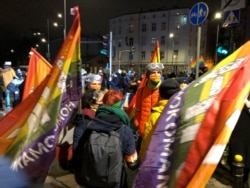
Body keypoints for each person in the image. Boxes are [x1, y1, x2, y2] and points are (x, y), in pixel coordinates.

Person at [73, 89, 139, 188]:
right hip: (115, 180)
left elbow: (79, 150)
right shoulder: (125, 130)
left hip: (91, 179)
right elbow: (132, 163)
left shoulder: (91, 125)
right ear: (119, 105)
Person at [139, 78, 180, 161]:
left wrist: (141, 160)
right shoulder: (183, 111)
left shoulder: (155, 116)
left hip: (158, 161)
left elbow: (147, 142)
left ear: (160, 95)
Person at [134, 62, 164, 137]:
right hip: (143, 128)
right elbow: (138, 109)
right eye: (153, 73)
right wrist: (137, 123)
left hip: (159, 128)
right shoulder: (141, 91)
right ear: (148, 75)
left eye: (158, 72)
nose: (156, 75)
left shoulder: (164, 89)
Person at [227, 97, 250, 188]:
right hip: (237, 134)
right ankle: (237, 181)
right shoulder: (240, 94)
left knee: (247, 160)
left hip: (247, 136)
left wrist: (248, 105)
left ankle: (243, 182)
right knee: (237, 157)